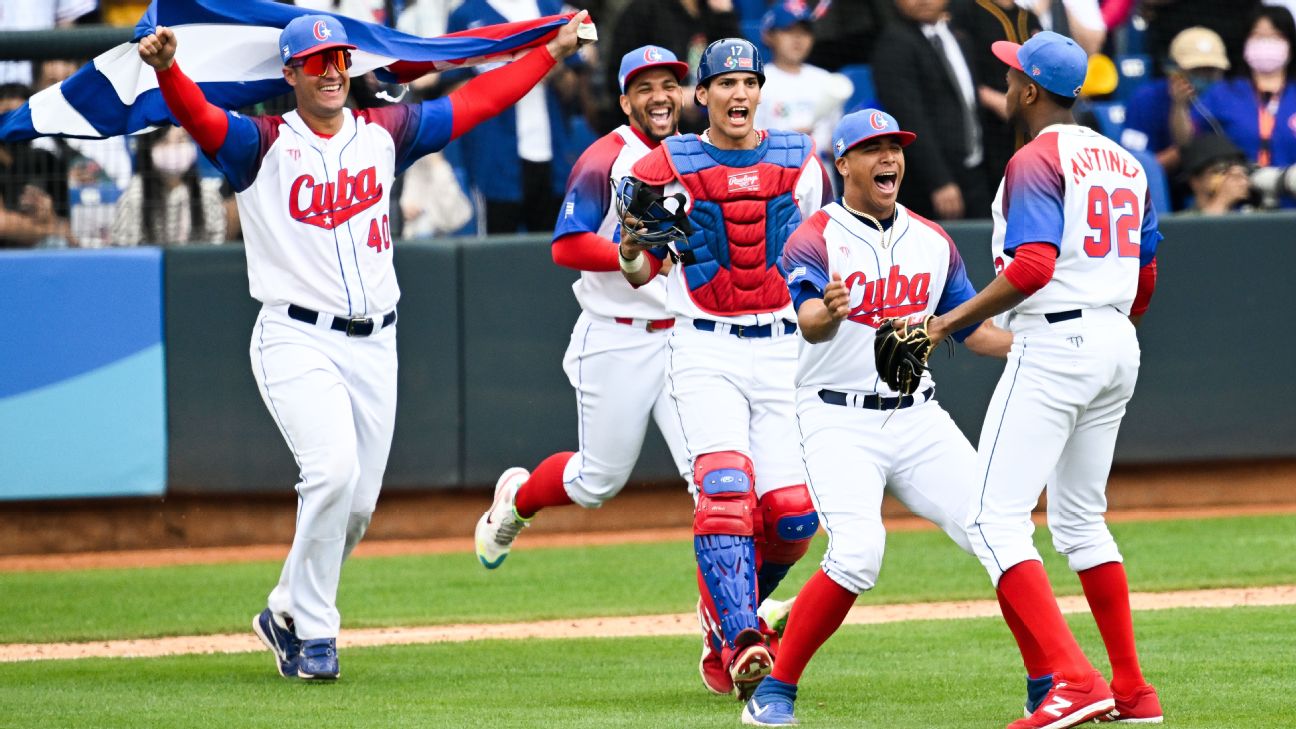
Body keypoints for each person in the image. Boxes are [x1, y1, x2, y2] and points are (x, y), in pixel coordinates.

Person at [136, 10, 591, 681]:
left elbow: (474, 102)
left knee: (355, 506)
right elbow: (202, 119)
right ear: (288, 73)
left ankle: (286, 605)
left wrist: (547, 54)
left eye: (339, 60)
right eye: (315, 63)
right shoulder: (259, 143)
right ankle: (316, 634)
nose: (330, 72)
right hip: (295, 335)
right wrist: (169, 70)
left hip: (378, 341)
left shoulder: (385, 131)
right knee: (330, 474)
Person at [738, 108, 1013, 727]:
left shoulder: (930, 239)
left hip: (917, 416)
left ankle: (1050, 680)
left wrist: (1037, 348)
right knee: (859, 552)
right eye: (871, 148)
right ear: (843, 163)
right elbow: (808, 325)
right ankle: (774, 692)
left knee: (998, 531)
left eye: (894, 147)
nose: (888, 158)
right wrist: (828, 311)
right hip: (837, 420)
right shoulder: (815, 236)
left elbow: (971, 331)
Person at [919, 31, 1163, 728]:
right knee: (1083, 520)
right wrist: (1114, 325)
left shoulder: (1036, 156)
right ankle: (1134, 691)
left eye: (1013, 76)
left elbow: (1030, 266)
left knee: (992, 520)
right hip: (1117, 338)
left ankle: (1077, 679)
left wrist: (946, 323)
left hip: (1058, 336)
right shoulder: (1126, 160)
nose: (1007, 85)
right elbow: (1145, 275)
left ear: (1030, 91)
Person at [615, 38, 833, 701]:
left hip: (778, 343)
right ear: (700, 95)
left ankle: (721, 618)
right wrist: (629, 247)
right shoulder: (663, 165)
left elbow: (815, 256)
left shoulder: (799, 159)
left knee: (794, 518)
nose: (739, 94)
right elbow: (639, 270)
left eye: (749, 81)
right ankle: (742, 634)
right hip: (704, 343)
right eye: (725, 83)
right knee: (725, 487)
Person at [474, 46, 692, 568]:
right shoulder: (605, 158)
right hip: (617, 333)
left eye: (668, 85)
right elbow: (565, 245)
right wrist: (634, 256)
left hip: (686, 335)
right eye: (645, 88)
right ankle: (518, 501)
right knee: (598, 481)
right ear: (624, 101)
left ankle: (738, 614)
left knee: (713, 476)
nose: (659, 97)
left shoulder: (699, 153)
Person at [446, 0, 585, 234]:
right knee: (493, 256)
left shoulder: (551, 9)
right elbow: (450, 91)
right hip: (494, 157)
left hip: (551, 158)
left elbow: (576, 88)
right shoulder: (466, 14)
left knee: (550, 255)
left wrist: (553, 67)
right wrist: (509, 74)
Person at [872, 0, 990, 220]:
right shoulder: (893, 43)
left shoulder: (959, 34)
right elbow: (909, 117)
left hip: (976, 172)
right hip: (930, 185)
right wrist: (939, 180)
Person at [1188, 6, 1296, 206]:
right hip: (1235, 205)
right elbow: (1189, 140)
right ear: (1246, 41)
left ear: (1290, 43)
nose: (1266, 44)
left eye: (1275, 36)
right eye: (1258, 36)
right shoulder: (1222, 93)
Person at [950, 0, 1041, 190]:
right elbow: (956, 71)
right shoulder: (965, 10)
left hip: (1028, 125)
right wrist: (991, 99)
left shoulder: (1028, 16)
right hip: (986, 128)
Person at [1122, 27, 1229, 172]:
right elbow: (1132, 166)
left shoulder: (1224, 98)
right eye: (1197, 70)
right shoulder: (1146, 99)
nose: (1205, 77)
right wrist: (1185, 151)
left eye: (1211, 71)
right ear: (1173, 69)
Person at [754, 2, 851, 162]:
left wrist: (833, 149)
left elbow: (838, 141)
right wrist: (786, 143)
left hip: (822, 176)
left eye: (805, 32)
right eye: (788, 30)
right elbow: (747, 143)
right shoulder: (755, 82)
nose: (798, 38)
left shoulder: (826, 80)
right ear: (769, 36)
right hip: (774, 177)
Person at [110, 126, 226, 246]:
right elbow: (125, 250)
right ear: (149, 149)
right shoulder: (134, 197)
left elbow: (215, 246)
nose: (174, 150)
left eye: (181, 140)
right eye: (165, 142)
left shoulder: (207, 195)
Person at [1179, 133, 1253, 214]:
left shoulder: (1244, 215)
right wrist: (1223, 199)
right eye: (1221, 170)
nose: (1231, 177)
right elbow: (1203, 225)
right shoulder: (1181, 221)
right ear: (1195, 182)